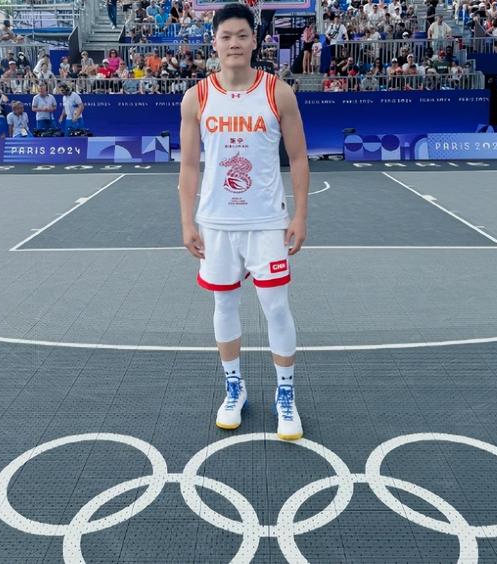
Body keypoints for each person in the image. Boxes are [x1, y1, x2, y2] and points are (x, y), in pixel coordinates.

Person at [178, 3, 309, 441]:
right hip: (216, 223)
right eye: (225, 36)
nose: (233, 43)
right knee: (224, 305)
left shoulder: (278, 93)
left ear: (255, 41)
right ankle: (234, 387)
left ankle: (285, 394)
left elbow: (298, 158)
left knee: (276, 307)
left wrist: (300, 214)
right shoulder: (197, 97)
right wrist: (187, 220)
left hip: (266, 221)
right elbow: (189, 166)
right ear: (214, 43)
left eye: (241, 35)